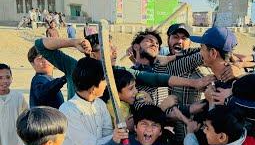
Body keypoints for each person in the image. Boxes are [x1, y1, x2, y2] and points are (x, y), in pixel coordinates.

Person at [34, 34, 209, 100]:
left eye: (114, 46)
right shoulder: (74, 66)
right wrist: (73, 41)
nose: (115, 51)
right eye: (108, 48)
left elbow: (156, 79)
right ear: (93, 53)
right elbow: (40, 45)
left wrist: (195, 84)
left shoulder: (119, 72)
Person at [59, 57, 113, 145]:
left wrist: (113, 137)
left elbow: (108, 133)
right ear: (93, 88)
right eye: (103, 80)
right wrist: (117, 137)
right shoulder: (68, 110)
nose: (106, 84)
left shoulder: (100, 104)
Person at [27, 46, 67, 145]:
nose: (44, 61)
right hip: (46, 134)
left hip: (52, 131)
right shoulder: (38, 79)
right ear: (32, 63)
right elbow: (43, 92)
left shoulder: (48, 79)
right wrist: (64, 79)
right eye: (39, 58)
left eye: (47, 58)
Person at [0, 63, 28, 145]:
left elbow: (26, 116)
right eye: (0, 78)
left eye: (7, 77)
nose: (4, 81)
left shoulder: (18, 97)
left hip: (15, 140)